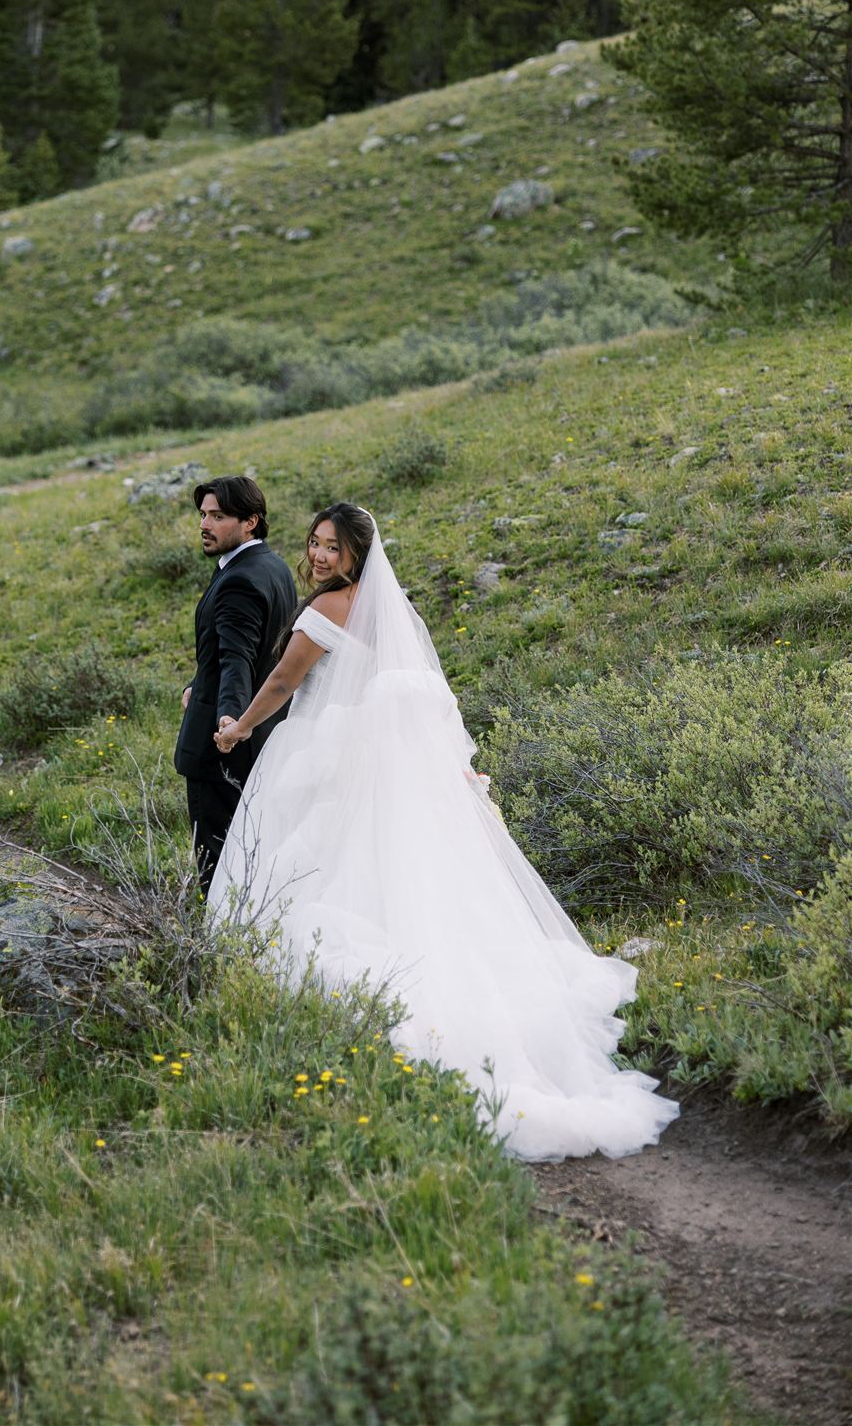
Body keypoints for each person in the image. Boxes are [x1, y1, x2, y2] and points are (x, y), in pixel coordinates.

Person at [209, 501, 679, 1164]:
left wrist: (240, 727)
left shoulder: (325, 611)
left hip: (332, 760)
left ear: (355, 556)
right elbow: (430, 699)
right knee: (408, 880)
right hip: (394, 770)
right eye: (313, 543)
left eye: (331, 549)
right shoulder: (398, 615)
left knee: (316, 873)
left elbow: (285, 679)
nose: (317, 557)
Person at [173, 475, 297, 893]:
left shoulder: (240, 579)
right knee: (252, 853)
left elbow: (238, 658)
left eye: (219, 516)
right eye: (203, 515)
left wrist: (229, 717)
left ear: (250, 522)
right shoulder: (272, 567)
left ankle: (223, 946)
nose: (205, 524)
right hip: (265, 736)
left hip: (223, 748)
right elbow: (246, 645)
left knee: (220, 862)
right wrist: (199, 681)